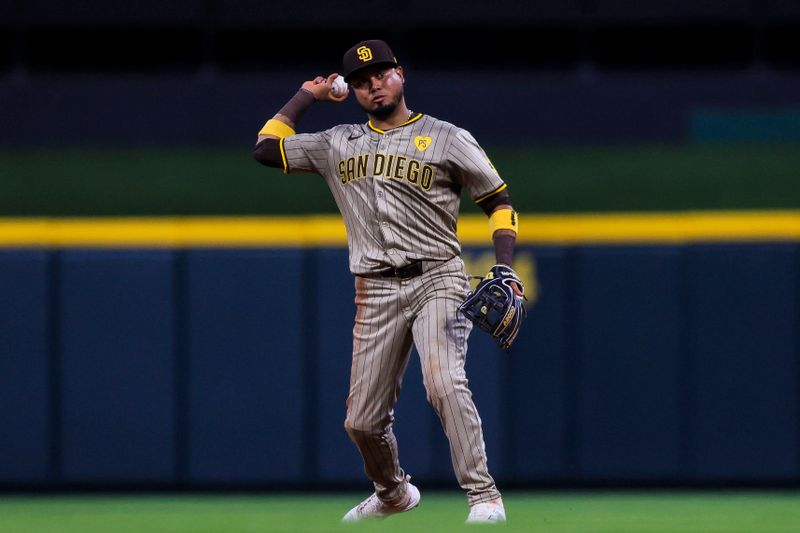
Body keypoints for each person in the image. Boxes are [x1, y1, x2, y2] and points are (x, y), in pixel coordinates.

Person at [252, 39, 521, 524]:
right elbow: (266, 150)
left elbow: (498, 203)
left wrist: (504, 265)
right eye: (359, 80)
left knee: (443, 382)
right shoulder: (338, 141)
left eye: (379, 73)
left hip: (438, 276)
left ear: (400, 74)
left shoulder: (447, 137)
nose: (371, 84)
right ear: (350, 89)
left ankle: (484, 496)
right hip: (373, 289)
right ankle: (393, 492)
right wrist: (307, 95)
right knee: (362, 422)